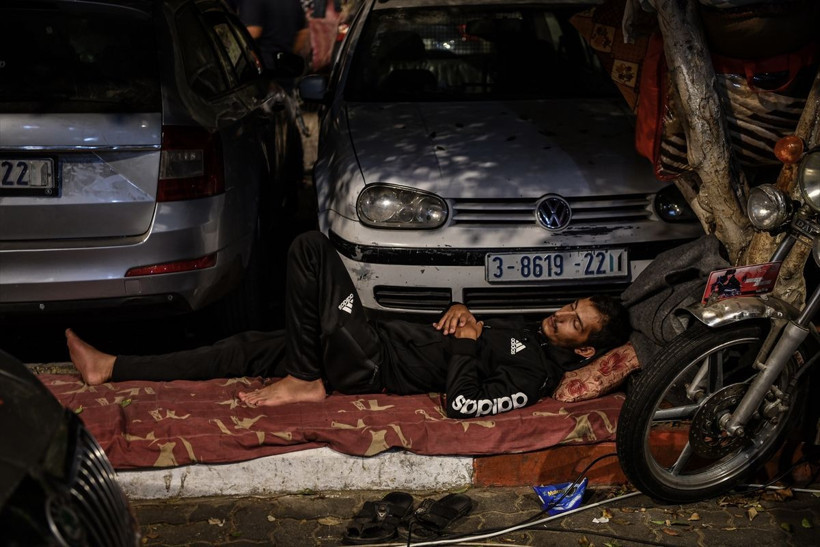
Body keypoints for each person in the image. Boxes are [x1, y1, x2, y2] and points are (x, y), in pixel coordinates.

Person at [67, 232, 630, 419]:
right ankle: (113, 367)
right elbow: (469, 330)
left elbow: (464, 405)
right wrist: (462, 312)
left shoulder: (535, 375)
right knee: (245, 347)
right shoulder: (529, 328)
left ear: (584, 352)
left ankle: (304, 380)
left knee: (311, 248)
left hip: (371, 364)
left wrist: (464, 346)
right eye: (570, 307)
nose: (562, 315)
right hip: (371, 339)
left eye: (574, 323)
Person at [235, 0, 309, 69]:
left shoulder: (252, 2)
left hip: (263, 69)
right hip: (286, 69)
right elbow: (303, 33)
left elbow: (251, 34)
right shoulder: (294, 2)